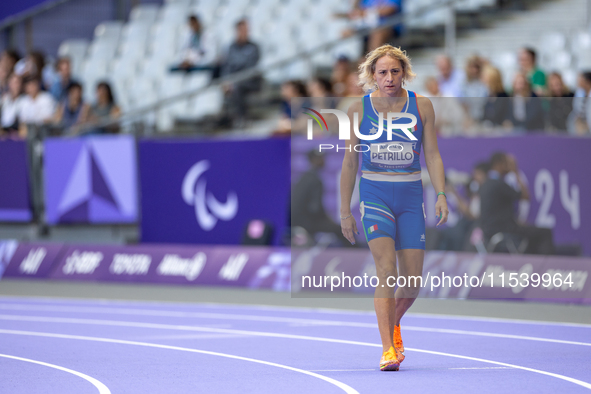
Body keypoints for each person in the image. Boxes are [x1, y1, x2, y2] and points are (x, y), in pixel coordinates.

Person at [340, 45, 448, 371]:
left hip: (411, 197)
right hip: (374, 195)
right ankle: (388, 349)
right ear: (372, 75)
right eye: (383, 72)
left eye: (395, 71)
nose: (389, 78)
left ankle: (393, 322)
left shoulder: (423, 106)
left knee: (412, 283)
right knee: (386, 271)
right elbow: (349, 163)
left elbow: (432, 154)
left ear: (404, 73)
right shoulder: (356, 110)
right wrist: (345, 211)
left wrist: (441, 193)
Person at [479, 152, 554, 255]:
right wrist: (515, 171)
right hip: (503, 230)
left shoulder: (486, 184)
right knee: (545, 232)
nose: (508, 166)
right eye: (506, 163)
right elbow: (526, 196)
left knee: (530, 233)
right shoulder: (499, 184)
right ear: (499, 164)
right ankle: (548, 268)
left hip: (490, 231)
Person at [292, 150, 354, 247]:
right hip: (307, 223)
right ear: (312, 160)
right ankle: (355, 254)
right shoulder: (315, 180)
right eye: (319, 158)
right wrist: (328, 220)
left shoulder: (303, 178)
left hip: (296, 221)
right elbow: (315, 209)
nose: (323, 160)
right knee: (343, 230)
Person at [221, 19, 260, 127]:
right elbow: (227, 66)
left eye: (246, 30)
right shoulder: (231, 48)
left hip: (249, 80)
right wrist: (225, 81)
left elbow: (250, 67)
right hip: (234, 81)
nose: (245, 32)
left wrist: (233, 79)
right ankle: (226, 119)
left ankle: (241, 118)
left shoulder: (253, 47)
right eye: (242, 30)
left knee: (236, 87)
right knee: (227, 86)